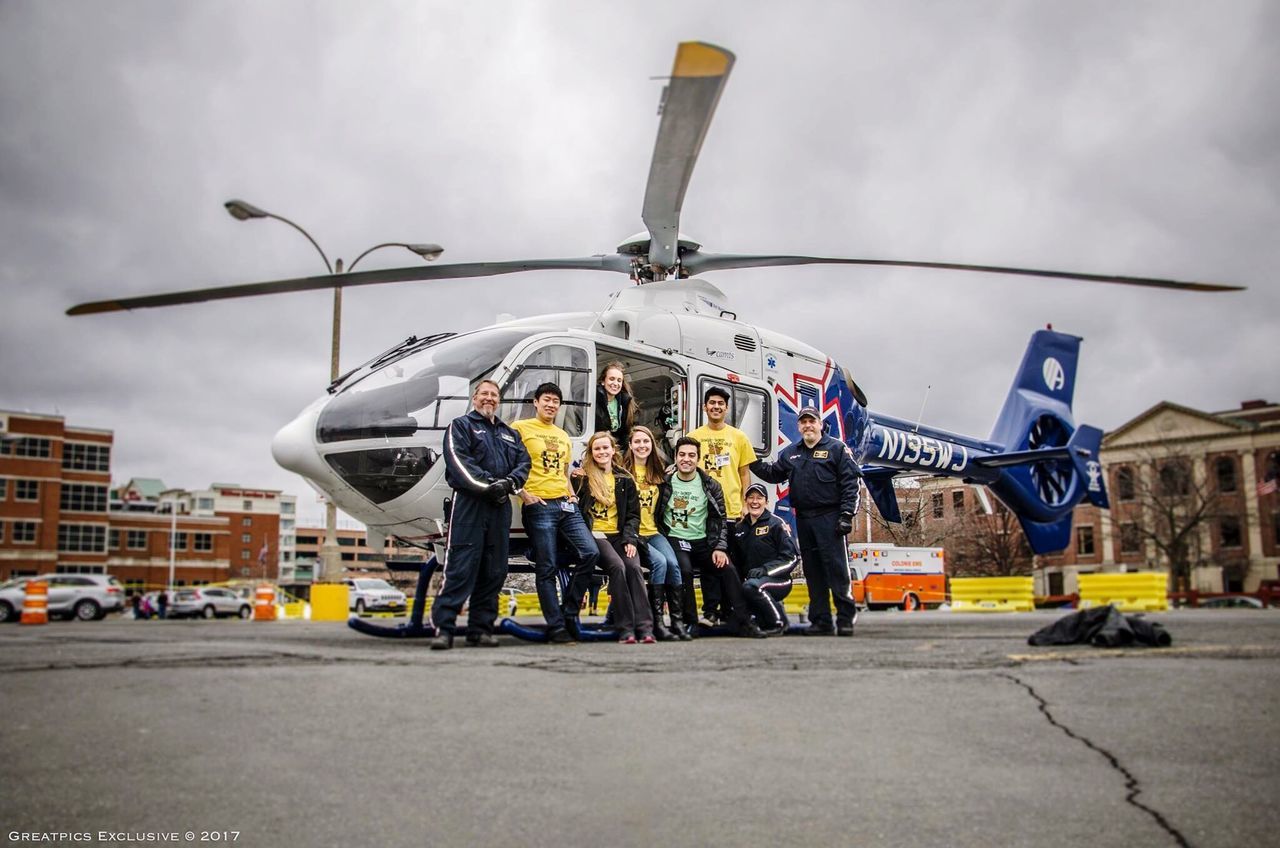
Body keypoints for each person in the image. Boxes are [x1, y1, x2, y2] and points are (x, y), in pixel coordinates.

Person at [430, 379, 532, 650]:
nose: (489, 398)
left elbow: (524, 463)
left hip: (500, 509)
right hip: (469, 505)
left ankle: (481, 628)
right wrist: (490, 485)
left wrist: (509, 484)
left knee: (494, 570)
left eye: (494, 395)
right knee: (461, 568)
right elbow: (460, 464)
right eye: (484, 394)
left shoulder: (510, 433)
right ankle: (445, 629)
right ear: (475, 398)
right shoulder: (461, 426)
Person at [751, 405, 861, 636]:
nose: (808, 425)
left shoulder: (837, 449)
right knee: (813, 572)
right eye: (803, 422)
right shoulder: (791, 453)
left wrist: (847, 515)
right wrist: (751, 459)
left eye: (812, 421)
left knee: (837, 570)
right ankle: (821, 621)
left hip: (831, 519)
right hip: (804, 518)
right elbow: (773, 474)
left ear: (820, 424)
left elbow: (851, 483)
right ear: (799, 426)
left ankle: (845, 619)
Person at [511, 382, 600, 644]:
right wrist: (523, 494)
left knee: (590, 553)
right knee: (546, 566)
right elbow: (508, 463)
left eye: (555, 401)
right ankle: (556, 626)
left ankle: (569, 613)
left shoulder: (562, 435)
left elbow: (562, 472)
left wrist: (572, 493)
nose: (551, 405)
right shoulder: (520, 428)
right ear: (535, 403)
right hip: (539, 507)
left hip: (565, 504)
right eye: (546, 400)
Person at [659, 436, 765, 639]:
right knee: (685, 571)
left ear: (698, 458)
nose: (686, 459)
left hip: (704, 542)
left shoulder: (710, 485)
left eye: (691, 455)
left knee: (728, 568)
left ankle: (744, 621)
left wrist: (720, 547)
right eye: (682, 455)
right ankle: (690, 622)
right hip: (676, 539)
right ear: (675, 457)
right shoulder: (664, 483)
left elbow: (720, 520)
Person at [571, 431, 655, 644]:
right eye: (597, 448)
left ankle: (645, 629)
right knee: (617, 567)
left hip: (620, 535)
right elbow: (577, 511)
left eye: (605, 447)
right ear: (591, 452)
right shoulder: (582, 478)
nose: (601, 452)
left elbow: (633, 515)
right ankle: (625, 628)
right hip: (595, 534)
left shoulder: (625, 479)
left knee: (634, 567)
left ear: (613, 450)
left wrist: (630, 539)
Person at [686, 386, 758, 624]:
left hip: (733, 509)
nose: (716, 407)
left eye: (720, 403)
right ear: (705, 407)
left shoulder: (739, 437)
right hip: (705, 511)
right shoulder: (695, 436)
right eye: (712, 403)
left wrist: (746, 504)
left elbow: (744, 472)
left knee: (732, 563)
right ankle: (710, 612)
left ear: (726, 408)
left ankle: (731, 612)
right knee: (710, 564)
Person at [622, 425, 689, 641]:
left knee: (673, 564)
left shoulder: (660, 472)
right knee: (659, 562)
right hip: (634, 532)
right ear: (631, 446)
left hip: (654, 531)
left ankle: (677, 621)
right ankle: (656, 621)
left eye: (646, 441)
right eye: (637, 442)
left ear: (652, 445)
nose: (642, 446)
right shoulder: (622, 472)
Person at [730, 483, 799, 636]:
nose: (755, 502)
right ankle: (765, 618)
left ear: (766, 502)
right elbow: (736, 561)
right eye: (751, 498)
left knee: (752, 587)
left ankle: (778, 622)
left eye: (759, 498)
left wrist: (765, 570)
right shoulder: (739, 528)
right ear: (745, 500)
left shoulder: (777, 524)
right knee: (736, 625)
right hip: (750, 581)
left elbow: (792, 558)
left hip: (779, 581)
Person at [594, 360, 637, 448]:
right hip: (599, 447)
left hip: (616, 451)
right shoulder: (594, 400)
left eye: (619, 380)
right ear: (603, 381)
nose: (615, 383)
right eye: (611, 379)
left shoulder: (625, 402)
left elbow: (626, 432)